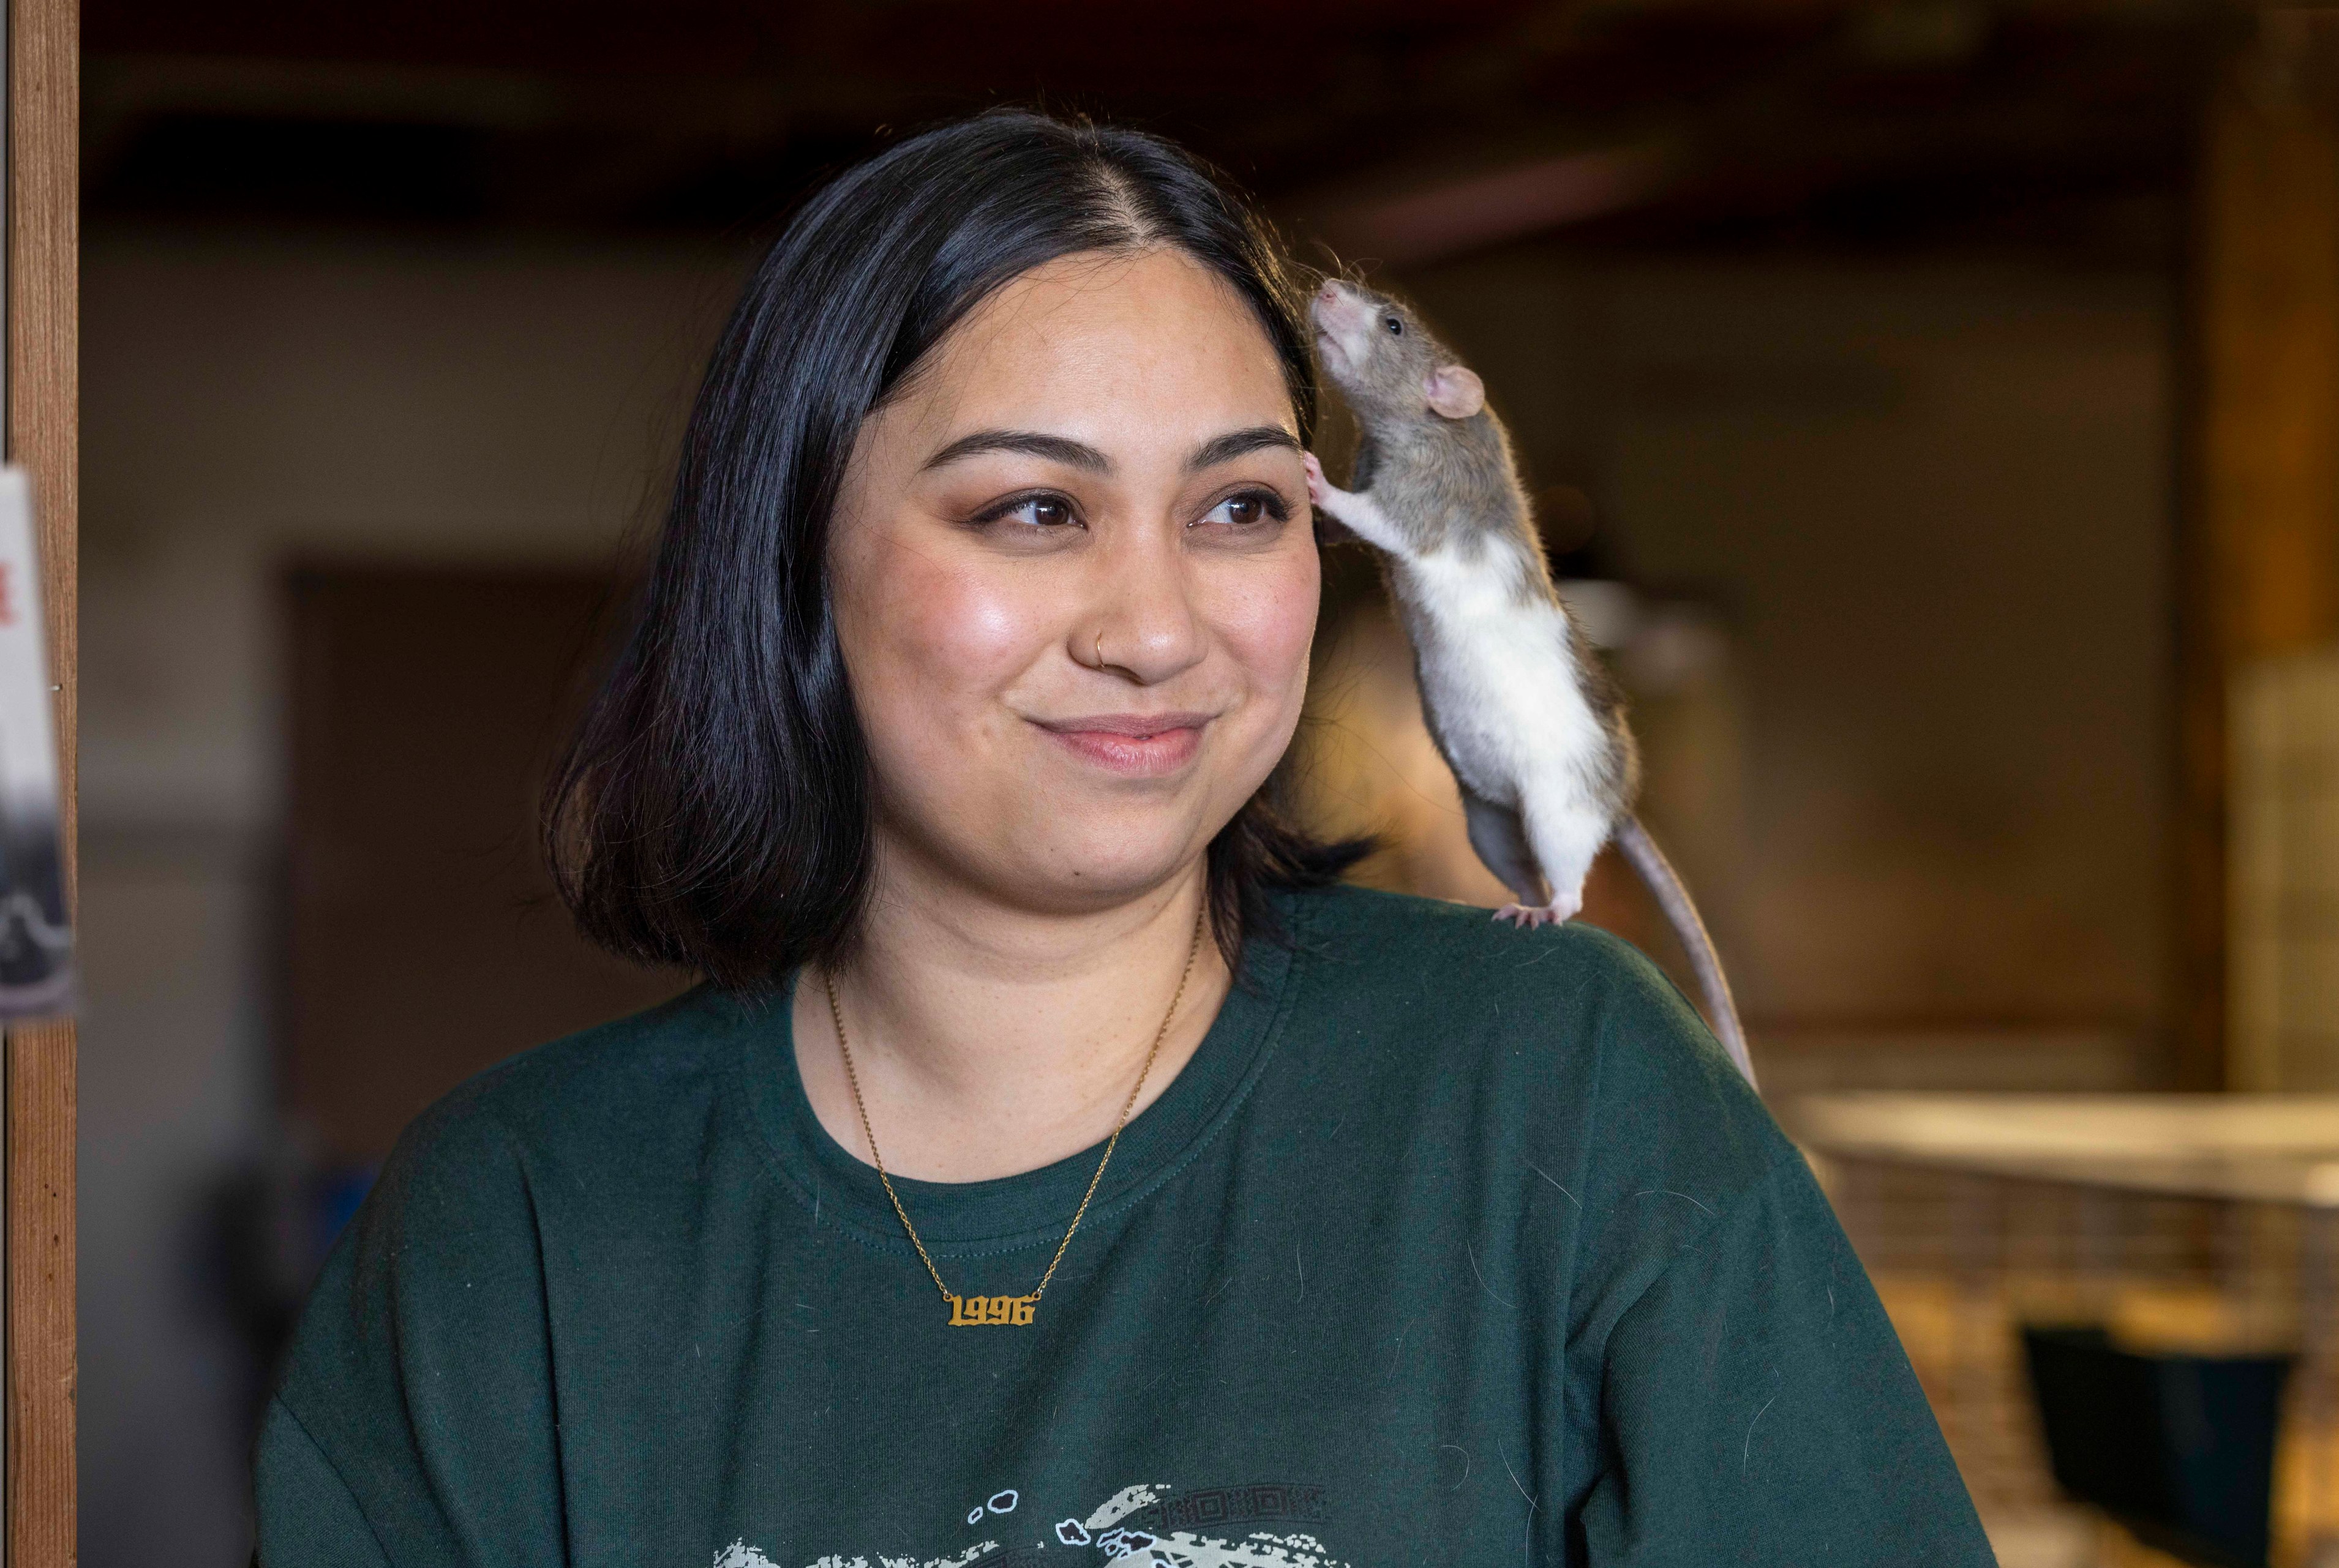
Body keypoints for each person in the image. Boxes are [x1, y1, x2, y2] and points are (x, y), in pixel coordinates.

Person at [253, 110, 1994, 1567]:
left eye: (1240, 506)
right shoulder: (518, 1222)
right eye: (1033, 508)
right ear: (795, 557)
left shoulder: (1565, 1088)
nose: (1157, 627)